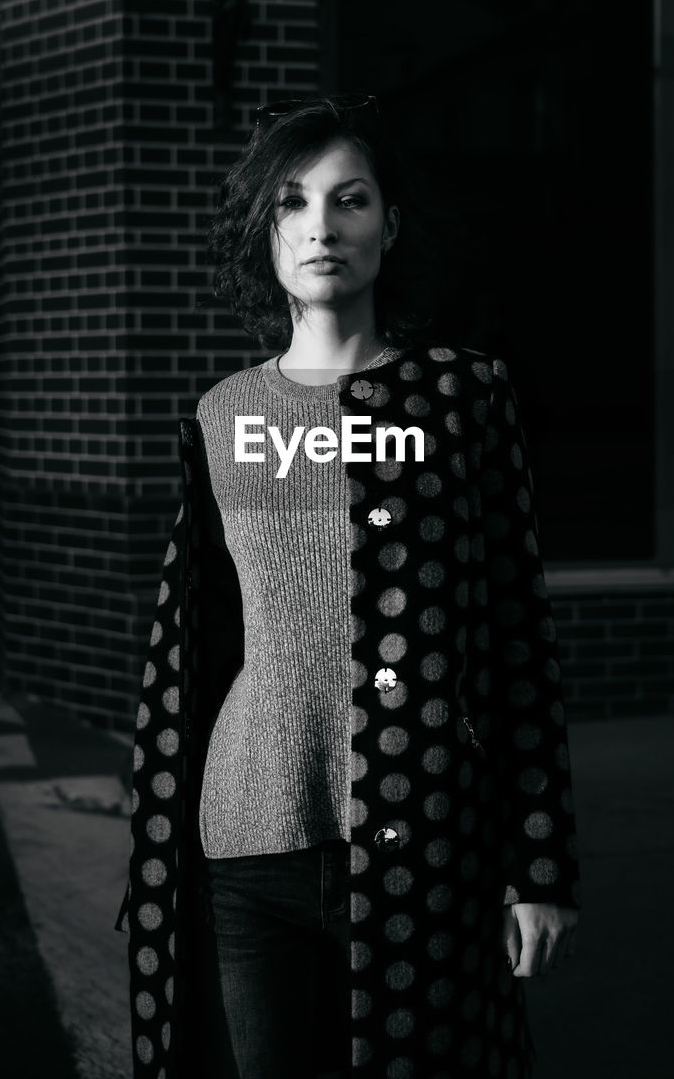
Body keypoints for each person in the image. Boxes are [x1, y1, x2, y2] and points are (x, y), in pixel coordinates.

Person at [117, 94, 582, 1079]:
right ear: (266, 230)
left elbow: (517, 641)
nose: (321, 224)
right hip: (245, 839)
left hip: (426, 839)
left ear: (390, 223)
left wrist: (538, 864)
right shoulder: (222, 414)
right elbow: (190, 650)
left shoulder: (462, 397)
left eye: (350, 197)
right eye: (292, 201)